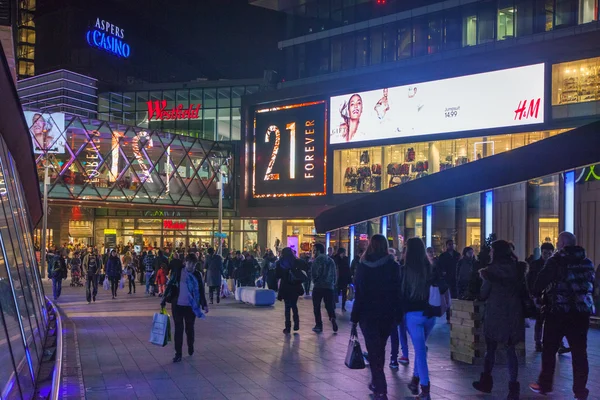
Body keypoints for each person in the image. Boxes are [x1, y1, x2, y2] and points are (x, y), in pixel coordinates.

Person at [529, 232, 595, 400]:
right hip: (581, 313)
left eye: (558, 241)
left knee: (549, 349)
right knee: (580, 352)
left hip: (558, 311)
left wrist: (536, 294)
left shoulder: (556, 261)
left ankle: (544, 385)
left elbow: (541, 281)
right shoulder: (587, 262)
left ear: (563, 244)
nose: (556, 244)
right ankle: (580, 390)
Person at [472, 240, 526, 400]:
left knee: (491, 348)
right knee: (511, 351)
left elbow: (483, 294)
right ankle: (513, 388)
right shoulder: (519, 269)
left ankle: (486, 382)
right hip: (514, 313)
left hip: (496, 314)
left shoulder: (490, 271)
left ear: (495, 253)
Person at [351, 234, 400, 399]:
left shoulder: (363, 266)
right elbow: (397, 292)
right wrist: (398, 313)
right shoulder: (392, 265)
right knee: (380, 347)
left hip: (367, 313)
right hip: (387, 313)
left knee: (373, 349)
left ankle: (380, 384)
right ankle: (377, 381)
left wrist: (354, 317)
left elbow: (360, 294)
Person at [401, 237, 447, 400]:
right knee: (421, 348)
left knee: (420, 351)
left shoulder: (405, 270)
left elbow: (402, 294)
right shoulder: (430, 268)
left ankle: (425, 389)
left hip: (413, 315)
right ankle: (414, 379)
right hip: (430, 315)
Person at [161, 253, 209, 363]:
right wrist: (163, 298)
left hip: (191, 307)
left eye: (194, 264)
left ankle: (190, 345)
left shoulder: (197, 275)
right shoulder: (179, 272)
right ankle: (178, 353)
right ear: (185, 262)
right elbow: (170, 284)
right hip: (177, 305)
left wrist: (204, 304)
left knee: (189, 329)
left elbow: (201, 290)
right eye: (189, 263)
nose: (191, 266)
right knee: (178, 330)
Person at [526, 242, 554, 352]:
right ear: (541, 252)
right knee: (540, 320)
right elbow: (530, 280)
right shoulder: (535, 265)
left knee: (549, 320)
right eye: (545, 253)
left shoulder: (552, 264)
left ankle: (547, 342)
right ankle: (538, 342)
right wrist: (533, 294)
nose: (547, 255)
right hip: (540, 296)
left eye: (549, 253)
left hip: (551, 296)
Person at [276, 247, 306, 334]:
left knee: (287, 307)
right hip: (295, 286)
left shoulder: (280, 262)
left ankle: (287, 327)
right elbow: (304, 268)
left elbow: (277, 275)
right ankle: (296, 323)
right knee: (294, 305)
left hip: (285, 287)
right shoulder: (297, 261)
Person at [311, 243, 338, 333]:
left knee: (316, 306)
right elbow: (335, 274)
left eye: (314, 250)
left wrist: (315, 281)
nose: (313, 252)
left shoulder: (317, 260)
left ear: (318, 250)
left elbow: (314, 273)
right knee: (329, 305)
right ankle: (332, 317)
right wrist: (333, 284)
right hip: (329, 287)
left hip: (318, 286)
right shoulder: (331, 260)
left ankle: (319, 325)